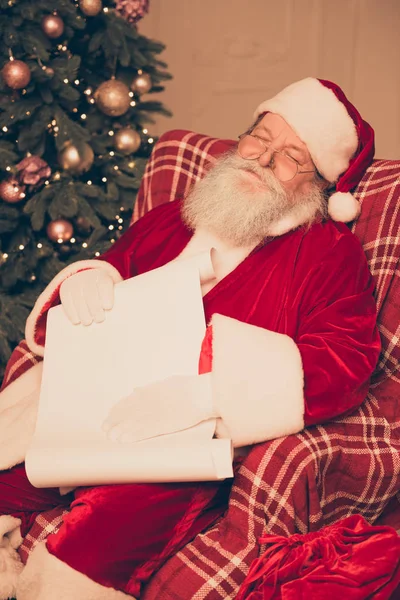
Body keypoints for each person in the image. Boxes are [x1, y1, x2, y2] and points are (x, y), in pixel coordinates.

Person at [0, 77, 381, 600]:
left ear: (318, 184)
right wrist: (89, 279)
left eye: (294, 156)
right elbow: (110, 272)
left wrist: (208, 396)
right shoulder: (171, 220)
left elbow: (345, 360)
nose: (265, 160)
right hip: (89, 403)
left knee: (95, 545)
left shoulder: (329, 255)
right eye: (260, 140)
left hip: (188, 436)